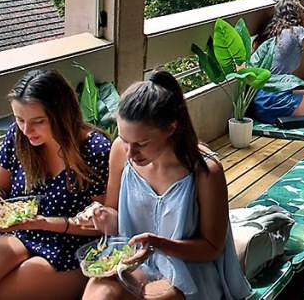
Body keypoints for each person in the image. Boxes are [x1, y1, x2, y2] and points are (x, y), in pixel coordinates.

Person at [78, 71, 251, 300]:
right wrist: (100, 215)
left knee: (155, 296)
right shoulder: (120, 150)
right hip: (135, 260)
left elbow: (212, 247)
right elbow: (115, 215)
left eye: (141, 144)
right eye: (125, 140)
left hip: (187, 267)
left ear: (171, 128)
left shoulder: (205, 170)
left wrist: (157, 244)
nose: (131, 153)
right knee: (98, 292)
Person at [0, 70, 112, 300]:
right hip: (24, 234)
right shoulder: (18, 137)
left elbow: (101, 223)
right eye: (19, 119)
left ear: (63, 115)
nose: (26, 130)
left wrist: (45, 223)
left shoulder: (94, 149)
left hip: (73, 246)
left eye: (38, 122)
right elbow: (0, 190)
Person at [248, 0, 304, 124]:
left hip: (258, 101)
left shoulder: (272, 33)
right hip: (276, 102)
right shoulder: (297, 31)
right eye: (303, 11)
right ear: (296, 15)